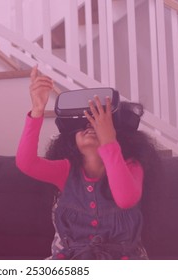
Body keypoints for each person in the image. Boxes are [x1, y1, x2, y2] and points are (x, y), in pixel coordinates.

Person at [16, 66, 160, 259]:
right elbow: (26, 163)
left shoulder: (131, 166)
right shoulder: (66, 171)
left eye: (98, 124)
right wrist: (37, 110)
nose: (90, 126)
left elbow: (125, 199)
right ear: (70, 140)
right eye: (82, 125)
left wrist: (108, 141)